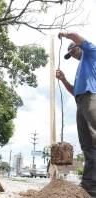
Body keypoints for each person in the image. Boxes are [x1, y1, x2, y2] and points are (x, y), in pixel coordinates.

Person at [56, 32, 96, 197]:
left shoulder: (91, 53)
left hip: (91, 97)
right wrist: (64, 80)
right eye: (69, 54)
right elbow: (74, 92)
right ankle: (89, 187)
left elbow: (76, 36)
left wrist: (65, 34)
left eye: (73, 50)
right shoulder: (80, 68)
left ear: (79, 46)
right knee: (87, 145)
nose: (71, 54)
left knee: (95, 139)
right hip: (80, 101)